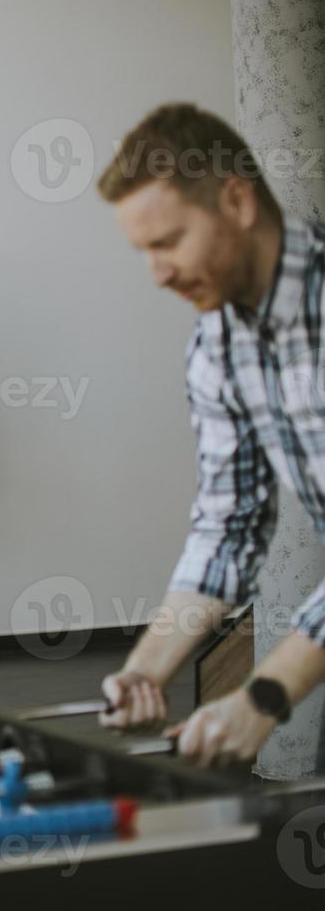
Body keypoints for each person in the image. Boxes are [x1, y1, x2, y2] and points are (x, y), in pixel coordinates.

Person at [95, 103, 325, 769]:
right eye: (144, 253)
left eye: (167, 242)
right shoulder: (214, 348)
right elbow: (228, 527)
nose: (157, 274)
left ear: (237, 201)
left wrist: (263, 697)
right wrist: (147, 667)